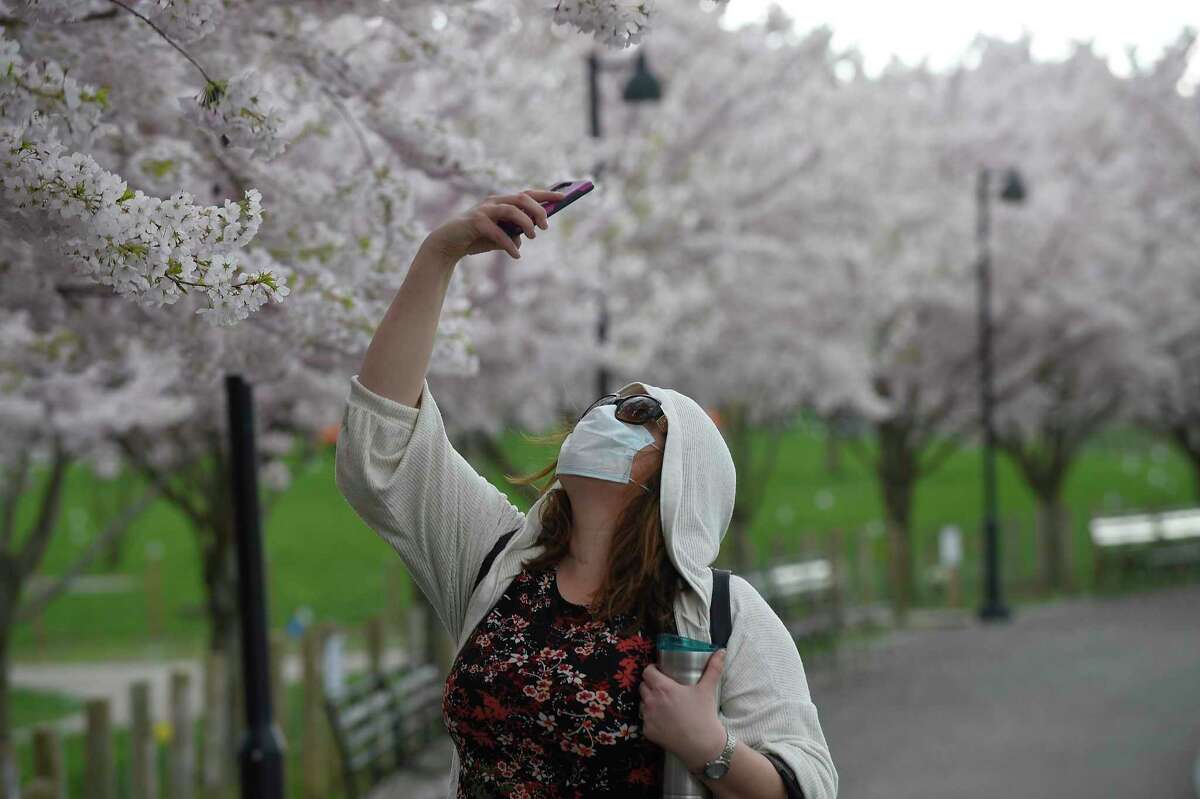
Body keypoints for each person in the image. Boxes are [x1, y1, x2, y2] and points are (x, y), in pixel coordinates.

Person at [334, 187, 837, 798]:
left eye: (637, 411)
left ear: (677, 473)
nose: (605, 413)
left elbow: (808, 783)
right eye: (604, 404)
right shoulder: (496, 561)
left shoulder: (722, 616)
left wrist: (711, 747)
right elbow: (384, 453)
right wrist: (439, 255)